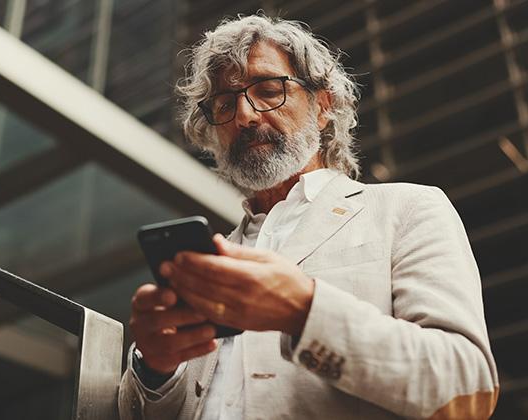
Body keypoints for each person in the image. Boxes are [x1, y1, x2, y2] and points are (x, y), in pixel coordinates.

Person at [118, 14, 499, 419]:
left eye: (267, 90)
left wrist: (305, 309)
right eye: (224, 104)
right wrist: (154, 369)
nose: (245, 115)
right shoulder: (207, 261)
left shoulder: (406, 209)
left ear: (322, 106)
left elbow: (464, 386)